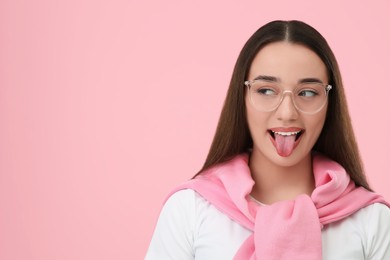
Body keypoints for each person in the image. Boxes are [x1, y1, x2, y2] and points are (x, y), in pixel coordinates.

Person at [145, 20, 390, 259]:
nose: (287, 113)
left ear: (329, 103)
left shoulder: (372, 220)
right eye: (266, 90)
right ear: (241, 97)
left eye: (307, 93)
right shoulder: (189, 209)